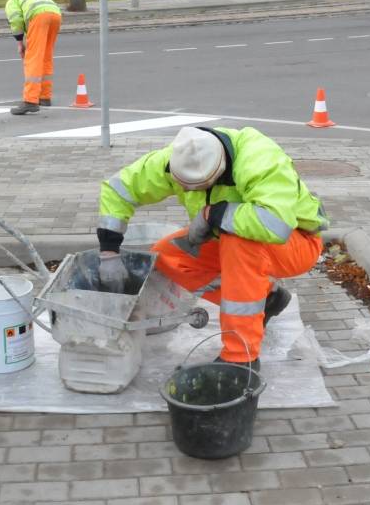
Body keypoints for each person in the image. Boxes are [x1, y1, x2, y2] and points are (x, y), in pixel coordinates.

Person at [95, 126, 330, 371]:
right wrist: (109, 251)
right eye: (183, 187)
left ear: (218, 174)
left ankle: (241, 358)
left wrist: (213, 214)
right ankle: (268, 300)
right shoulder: (176, 158)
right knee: (169, 254)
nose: (187, 192)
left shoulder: (259, 158)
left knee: (239, 242)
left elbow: (274, 225)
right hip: (227, 237)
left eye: (196, 188)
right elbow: (117, 189)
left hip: (296, 243)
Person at [4, 0, 62, 115]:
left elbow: (15, 21)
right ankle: (45, 97)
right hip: (56, 15)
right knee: (46, 56)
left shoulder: (11, 1)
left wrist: (19, 43)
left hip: (39, 16)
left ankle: (30, 101)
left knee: (33, 57)